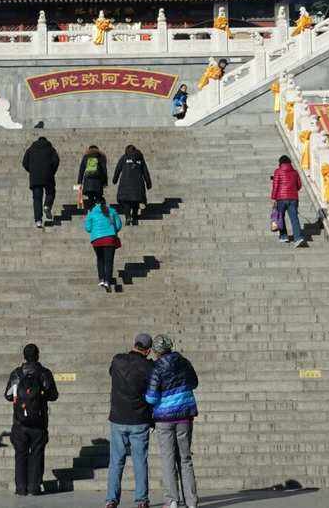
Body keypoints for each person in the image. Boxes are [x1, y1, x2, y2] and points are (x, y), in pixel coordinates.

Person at [145, 335, 199, 508]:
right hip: (184, 416)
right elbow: (194, 383)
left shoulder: (157, 368)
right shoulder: (184, 362)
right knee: (185, 459)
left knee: (168, 459)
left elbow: (152, 398)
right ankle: (191, 502)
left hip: (164, 418)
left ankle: (172, 501)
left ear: (156, 351)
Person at [105, 333, 155, 508]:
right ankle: (141, 500)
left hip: (118, 417)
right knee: (140, 461)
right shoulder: (149, 367)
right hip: (139, 419)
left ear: (134, 344)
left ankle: (111, 499)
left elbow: (111, 372)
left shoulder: (117, 360)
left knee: (116, 461)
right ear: (148, 350)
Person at [4, 343, 60, 496]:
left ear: (24, 356)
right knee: (37, 453)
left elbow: (8, 395)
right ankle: (35, 487)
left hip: (19, 422)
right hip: (39, 422)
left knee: (20, 454)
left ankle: (21, 488)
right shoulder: (44, 373)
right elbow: (54, 395)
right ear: (38, 355)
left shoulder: (16, 373)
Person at [85, 196, 123, 293]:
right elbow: (118, 225)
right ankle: (107, 281)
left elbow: (88, 228)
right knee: (109, 261)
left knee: (100, 259)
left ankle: (101, 278)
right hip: (110, 238)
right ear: (105, 203)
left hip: (97, 240)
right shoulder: (112, 211)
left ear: (95, 204)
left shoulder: (92, 213)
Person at [22, 137, 60, 228]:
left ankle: (38, 220)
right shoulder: (51, 149)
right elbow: (56, 161)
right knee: (50, 192)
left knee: (37, 199)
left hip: (35, 177)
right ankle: (47, 205)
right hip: (48, 175)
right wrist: (52, 171)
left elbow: (24, 163)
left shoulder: (30, 149)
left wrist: (32, 171)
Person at [270, 155, 306, 246]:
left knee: (280, 217)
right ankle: (298, 238)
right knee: (294, 218)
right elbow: (299, 185)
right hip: (293, 198)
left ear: (280, 163)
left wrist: (273, 198)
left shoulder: (277, 172)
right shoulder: (295, 172)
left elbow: (275, 186)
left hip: (281, 199)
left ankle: (283, 236)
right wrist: (293, 191)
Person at [112, 145, 152, 226]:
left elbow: (118, 169)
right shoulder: (140, 158)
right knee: (135, 201)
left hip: (125, 184)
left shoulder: (124, 157)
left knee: (126, 201)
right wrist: (148, 183)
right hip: (138, 185)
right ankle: (134, 216)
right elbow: (145, 171)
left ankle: (128, 217)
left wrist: (114, 179)